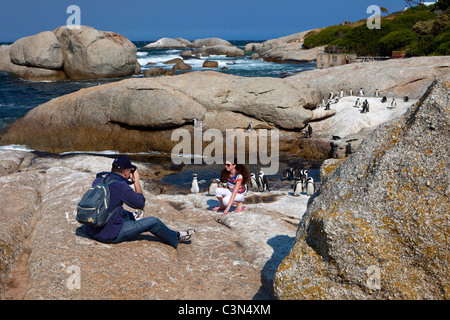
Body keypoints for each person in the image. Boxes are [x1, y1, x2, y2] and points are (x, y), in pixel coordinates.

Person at [84, 156, 194, 248]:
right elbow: (140, 204)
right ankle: (175, 237)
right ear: (126, 172)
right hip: (110, 235)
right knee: (153, 222)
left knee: (116, 207)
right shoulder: (121, 186)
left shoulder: (99, 179)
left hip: (91, 229)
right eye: (130, 171)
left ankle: (132, 216)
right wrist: (136, 181)